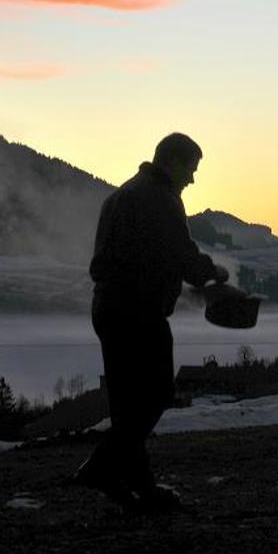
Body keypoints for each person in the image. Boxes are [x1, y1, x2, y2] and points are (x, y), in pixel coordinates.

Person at [74, 132, 228, 512]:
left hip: (108, 308)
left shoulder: (121, 196)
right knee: (156, 394)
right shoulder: (159, 199)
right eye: (191, 169)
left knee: (127, 406)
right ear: (172, 162)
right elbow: (182, 256)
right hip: (138, 312)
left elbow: (140, 258)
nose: (192, 179)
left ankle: (138, 488)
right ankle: (101, 468)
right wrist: (214, 273)